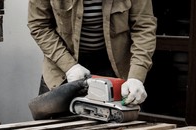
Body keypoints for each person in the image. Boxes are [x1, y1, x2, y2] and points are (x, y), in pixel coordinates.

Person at [27, 0, 157, 106]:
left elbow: (143, 28)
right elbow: (39, 25)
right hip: (61, 67)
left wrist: (136, 77)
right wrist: (69, 66)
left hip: (113, 67)